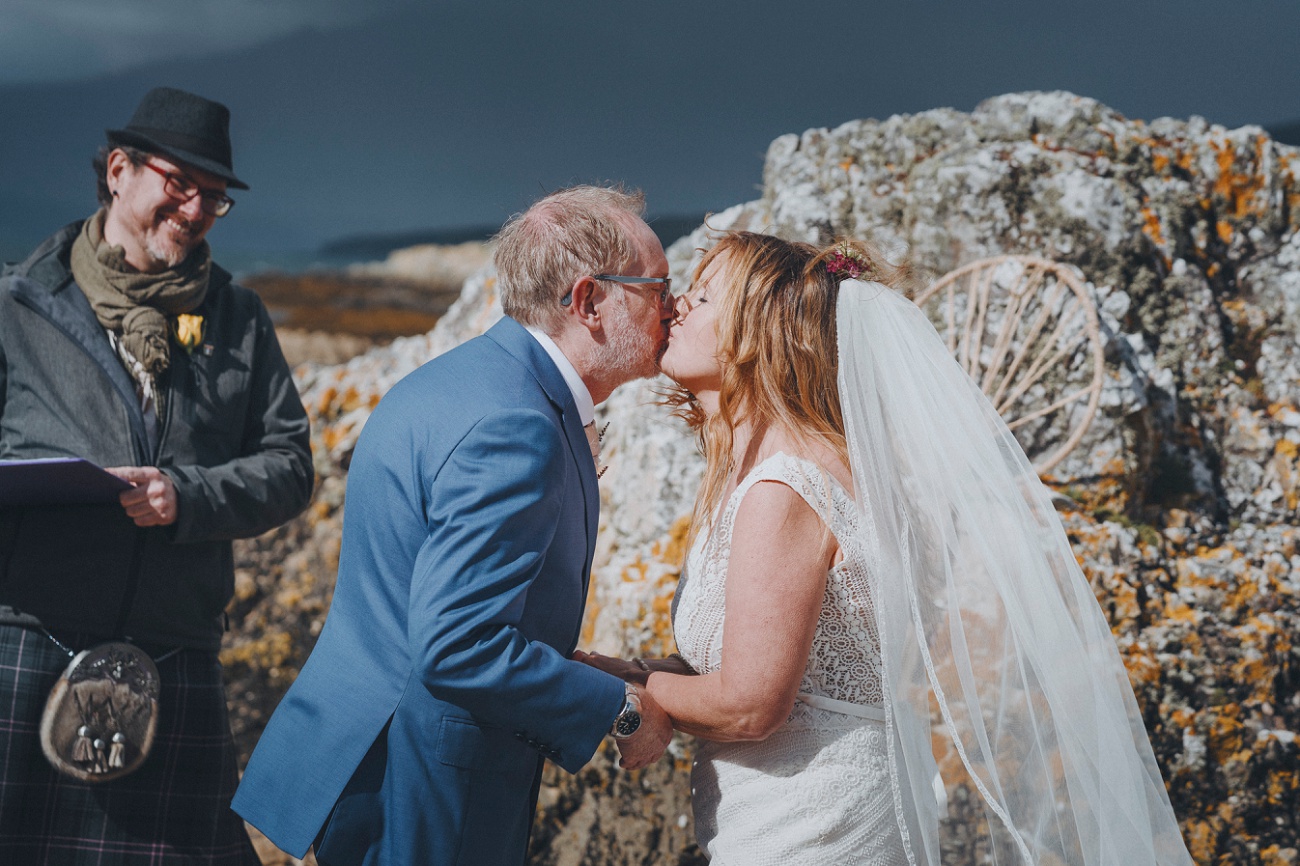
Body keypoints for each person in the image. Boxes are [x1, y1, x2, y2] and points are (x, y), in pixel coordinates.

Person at [579, 231, 1195, 866]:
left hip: (814, 828)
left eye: (704, 296)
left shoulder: (784, 488)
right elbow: (754, 670)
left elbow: (750, 703)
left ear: (758, 333)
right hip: (788, 816)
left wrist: (632, 694)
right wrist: (619, 674)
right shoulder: (769, 474)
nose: (676, 304)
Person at [233, 185, 676, 866]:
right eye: (658, 287)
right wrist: (620, 708)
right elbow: (460, 644)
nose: (672, 309)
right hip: (425, 790)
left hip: (370, 760)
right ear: (590, 301)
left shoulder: (460, 380)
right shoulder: (517, 425)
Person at [0, 86, 313, 864]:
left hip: (171, 654)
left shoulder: (238, 320)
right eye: (180, 183)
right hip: (26, 642)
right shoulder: (19, 305)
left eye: (214, 196)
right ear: (118, 170)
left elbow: (290, 466)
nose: (197, 207)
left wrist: (191, 497)